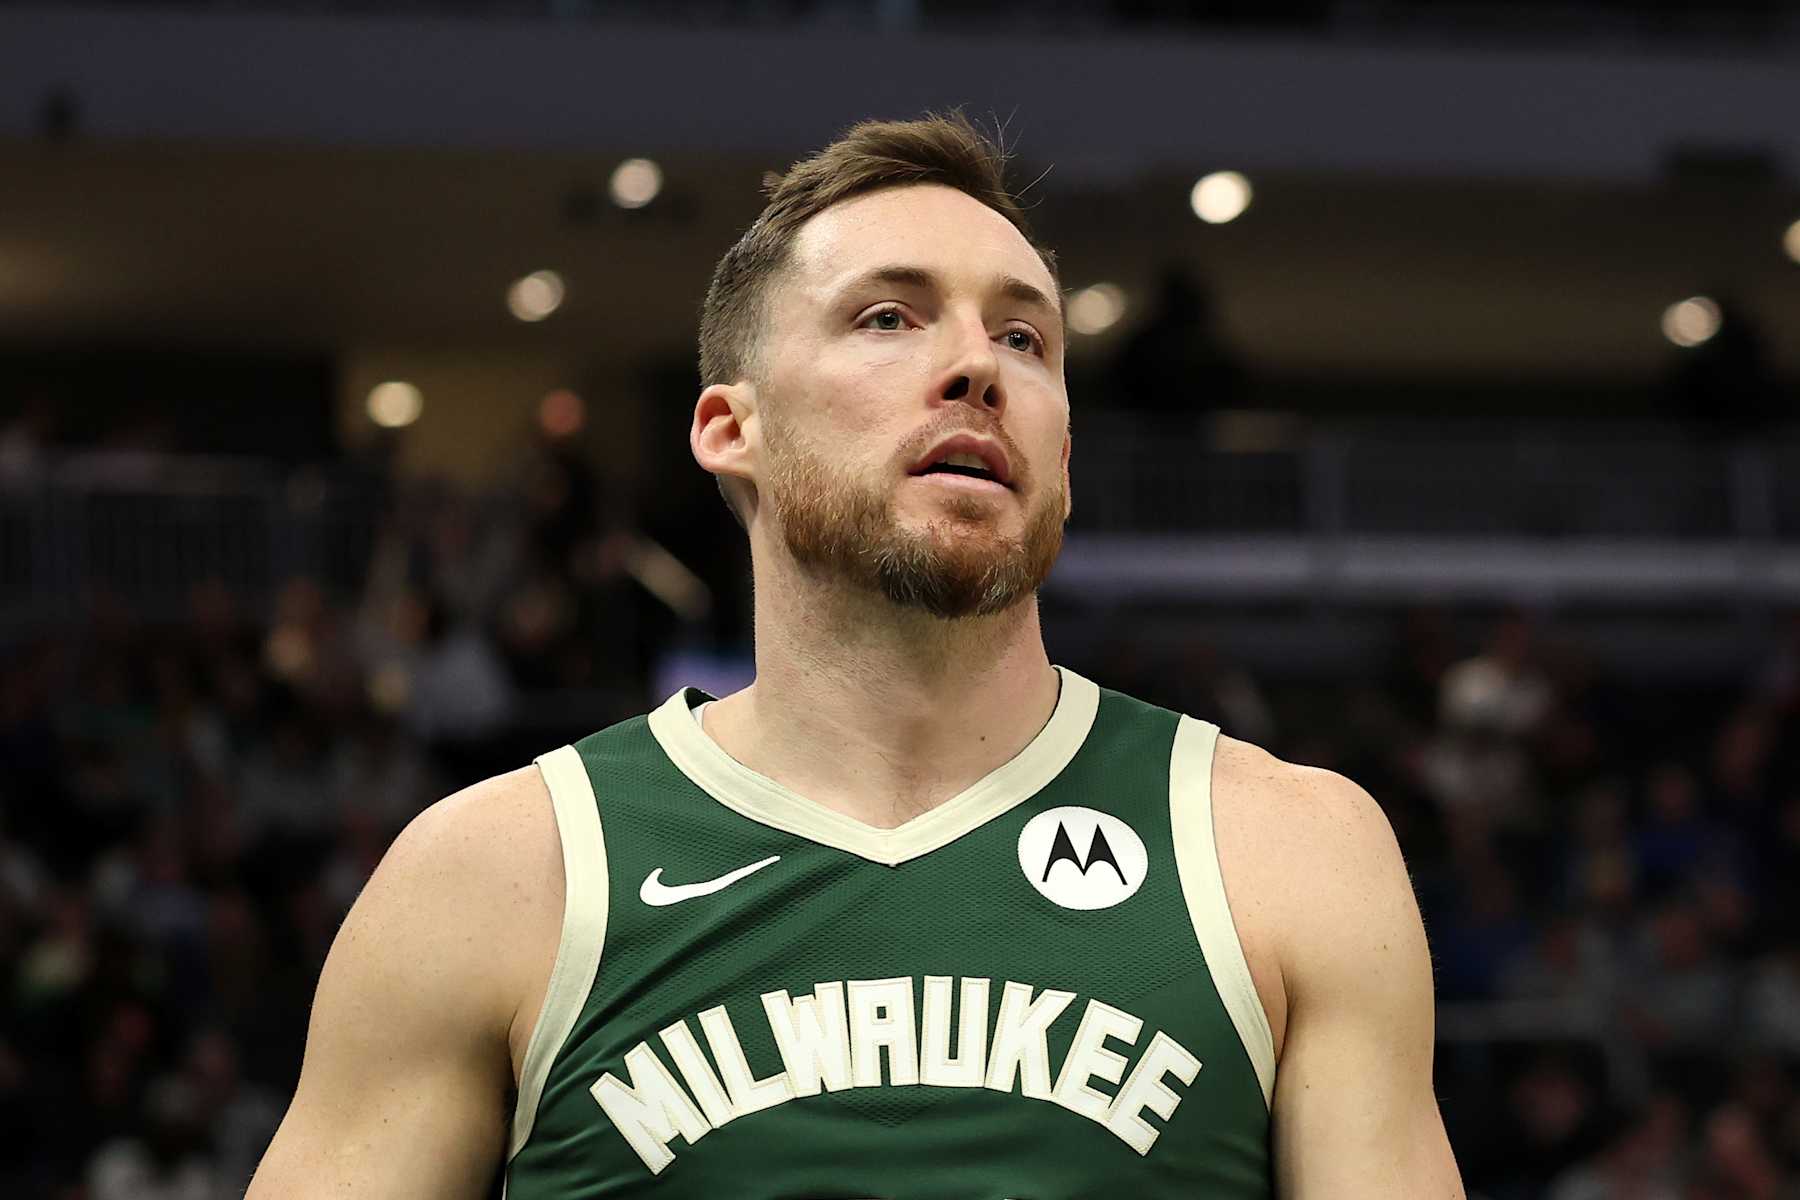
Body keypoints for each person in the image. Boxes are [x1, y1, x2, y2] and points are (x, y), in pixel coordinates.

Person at [246, 111, 1464, 1198]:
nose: (980, 365)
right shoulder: (496, 874)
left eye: (1027, 340)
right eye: (889, 317)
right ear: (733, 429)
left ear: (1065, 457)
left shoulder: (1289, 851)